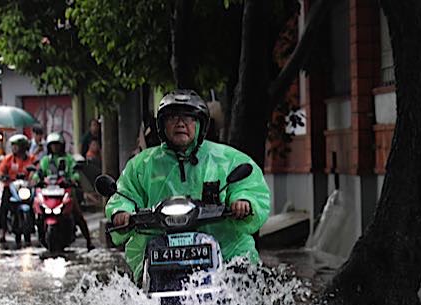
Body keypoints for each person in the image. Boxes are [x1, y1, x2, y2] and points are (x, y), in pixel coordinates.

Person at [105, 89, 271, 283]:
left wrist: (243, 201)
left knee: (247, 284)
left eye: (189, 118)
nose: (181, 123)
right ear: (162, 125)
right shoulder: (142, 164)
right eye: (173, 117)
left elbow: (249, 185)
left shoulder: (227, 158)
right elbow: (125, 194)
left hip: (225, 249)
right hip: (160, 248)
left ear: (200, 124)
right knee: (135, 295)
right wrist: (121, 212)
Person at [32, 132, 94, 250]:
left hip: (65, 191)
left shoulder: (68, 159)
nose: (55, 147)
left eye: (57, 145)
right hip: (49, 192)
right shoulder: (45, 160)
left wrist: (73, 179)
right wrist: (36, 179)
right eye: (53, 145)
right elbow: (38, 173)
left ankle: (88, 241)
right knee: (37, 208)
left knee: (77, 214)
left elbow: (75, 173)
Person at [0, 134, 37, 243]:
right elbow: (0, 170)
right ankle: (2, 231)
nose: (14, 148)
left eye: (16, 146)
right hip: (11, 186)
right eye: (13, 146)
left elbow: (37, 168)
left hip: (26, 187)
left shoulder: (31, 159)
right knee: (4, 206)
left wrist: (34, 176)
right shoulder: (9, 159)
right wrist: (2, 176)